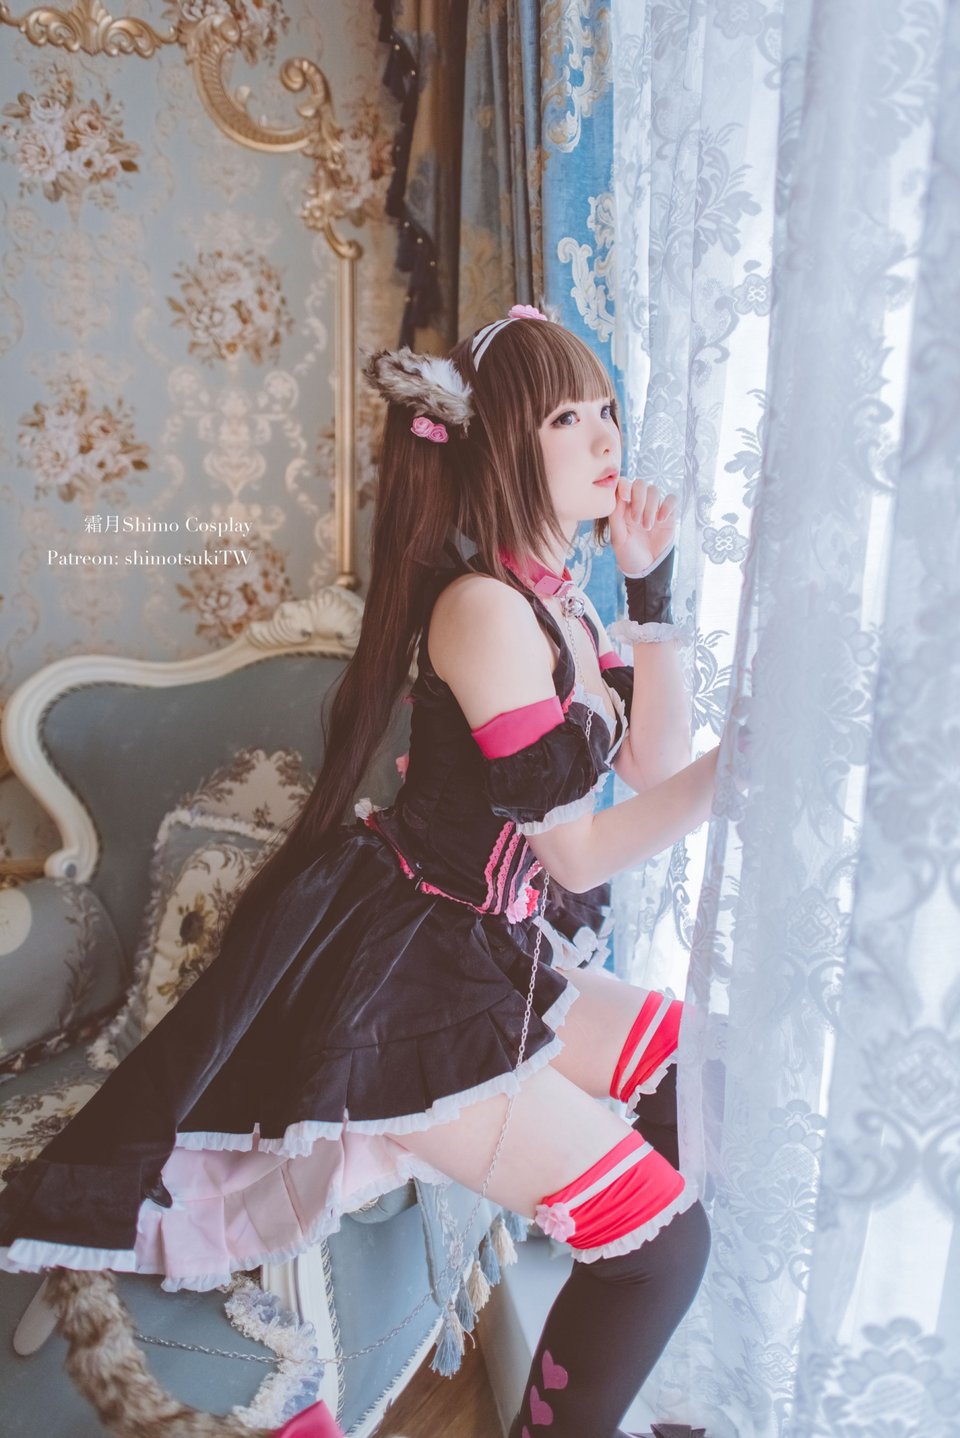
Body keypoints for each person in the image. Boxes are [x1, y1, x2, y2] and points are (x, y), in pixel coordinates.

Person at [0, 306, 718, 1438]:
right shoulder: (484, 611)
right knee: (665, 1248)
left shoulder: (564, 604)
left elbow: (653, 763)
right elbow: (577, 849)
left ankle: (611, 1288)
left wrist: (651, 586)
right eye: (565, 416)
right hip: (415, 978)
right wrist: (743, 772)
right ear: (503, 444)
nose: (604, 436)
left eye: (606, 409)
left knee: (697, 1073)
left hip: (484, 946)